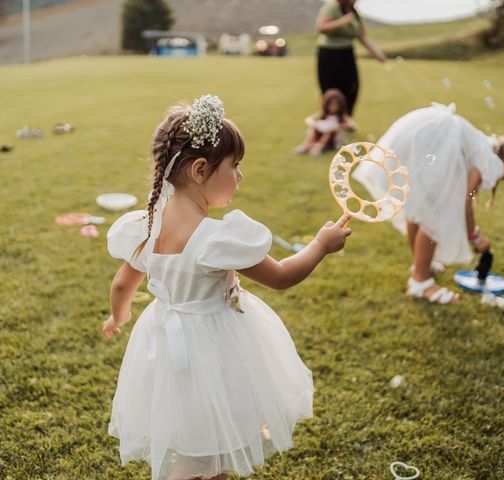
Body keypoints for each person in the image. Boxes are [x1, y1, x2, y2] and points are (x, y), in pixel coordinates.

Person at [102, 95, 352, 480]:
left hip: (164, 345)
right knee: (205, 446)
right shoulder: (216, 240)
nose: (240, 177)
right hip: (214, 348)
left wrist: (118, 318)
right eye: (234, 166)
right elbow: (282, 276)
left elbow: (122, 284)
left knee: (199, 433)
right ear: (201, 170)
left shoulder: (144, 226)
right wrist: (321, 246)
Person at [352, 103, 504, 304]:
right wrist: (474, 236)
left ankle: (420, 267)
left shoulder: (483, 146)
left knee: (420, 210)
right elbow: (465, 199)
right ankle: (421, 282)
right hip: (437, 141)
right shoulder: (491, 162)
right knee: (436, 217)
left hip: (426, 133)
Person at [315, 0, 387, 115]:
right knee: (330, 88)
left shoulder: (354, 12)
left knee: (352, 86)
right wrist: (342, 21)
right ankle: (329, 117)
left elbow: (362, 36)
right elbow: (320, 27)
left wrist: (378, 54)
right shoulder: (333, 6)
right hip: (329, 54)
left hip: (347, 53)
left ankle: (345, 117)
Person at [294, 88, 356, 156]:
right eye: (331, 104)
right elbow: (309, 119)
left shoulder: (341, 116)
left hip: (333, 138)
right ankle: (307, 145)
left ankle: (319, 147)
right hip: (321, 134)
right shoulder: (323, 114)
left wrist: (339, 126)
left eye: (336, 104)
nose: (333, 107)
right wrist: (314, 124)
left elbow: (352, 125)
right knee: (314, 128)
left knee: (328, 132)